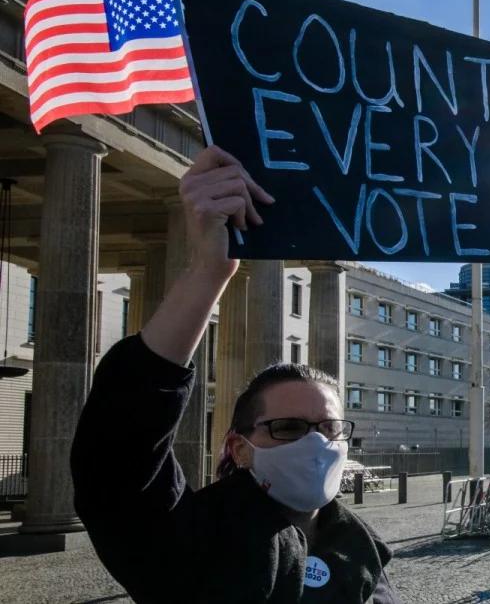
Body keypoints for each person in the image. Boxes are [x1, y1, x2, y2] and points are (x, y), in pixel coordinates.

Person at [70, 146, 395, 602]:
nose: (317, 444)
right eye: (288, 428)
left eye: (330, 428)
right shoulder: (189, 541)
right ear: (239, 449)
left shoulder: (360, 549)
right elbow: (117, 453)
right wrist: (208, 271)